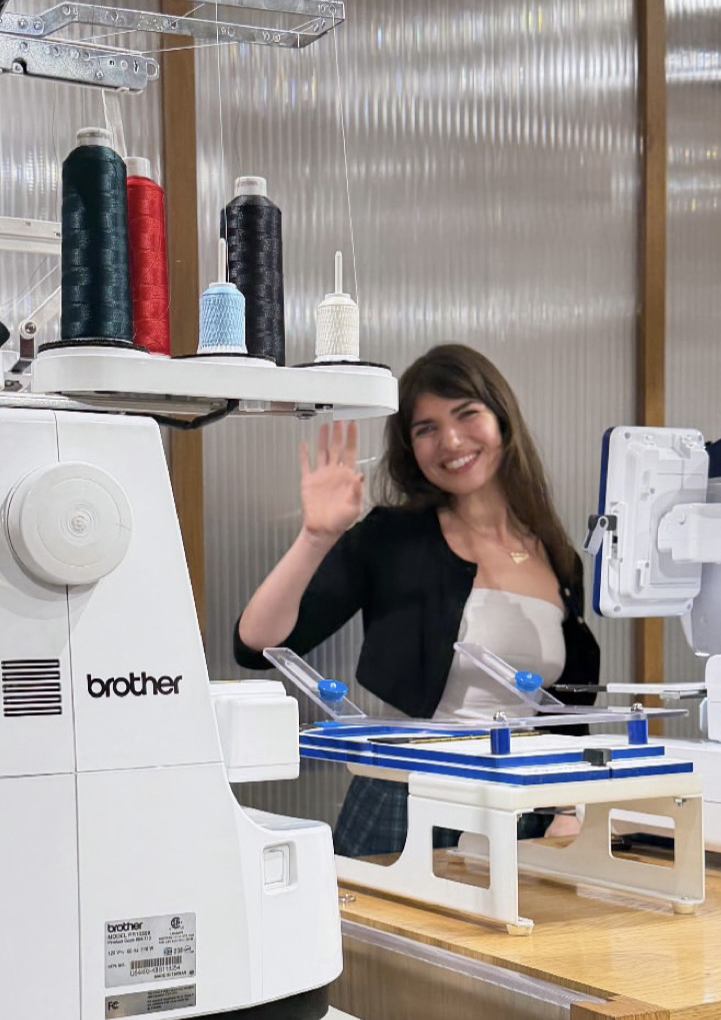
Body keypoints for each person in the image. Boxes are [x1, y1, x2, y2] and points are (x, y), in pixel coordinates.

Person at [234, 343, 600, 857]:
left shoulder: (558, 559)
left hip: (523, 810)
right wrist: (316, 536)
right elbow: (255, 643)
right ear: (411, 448)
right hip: (405, 801)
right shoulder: (392, 539)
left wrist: (569, 806)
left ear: (502, 420)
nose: (450, 440)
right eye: (425, 428)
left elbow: (566, 711)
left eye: (466, 414)